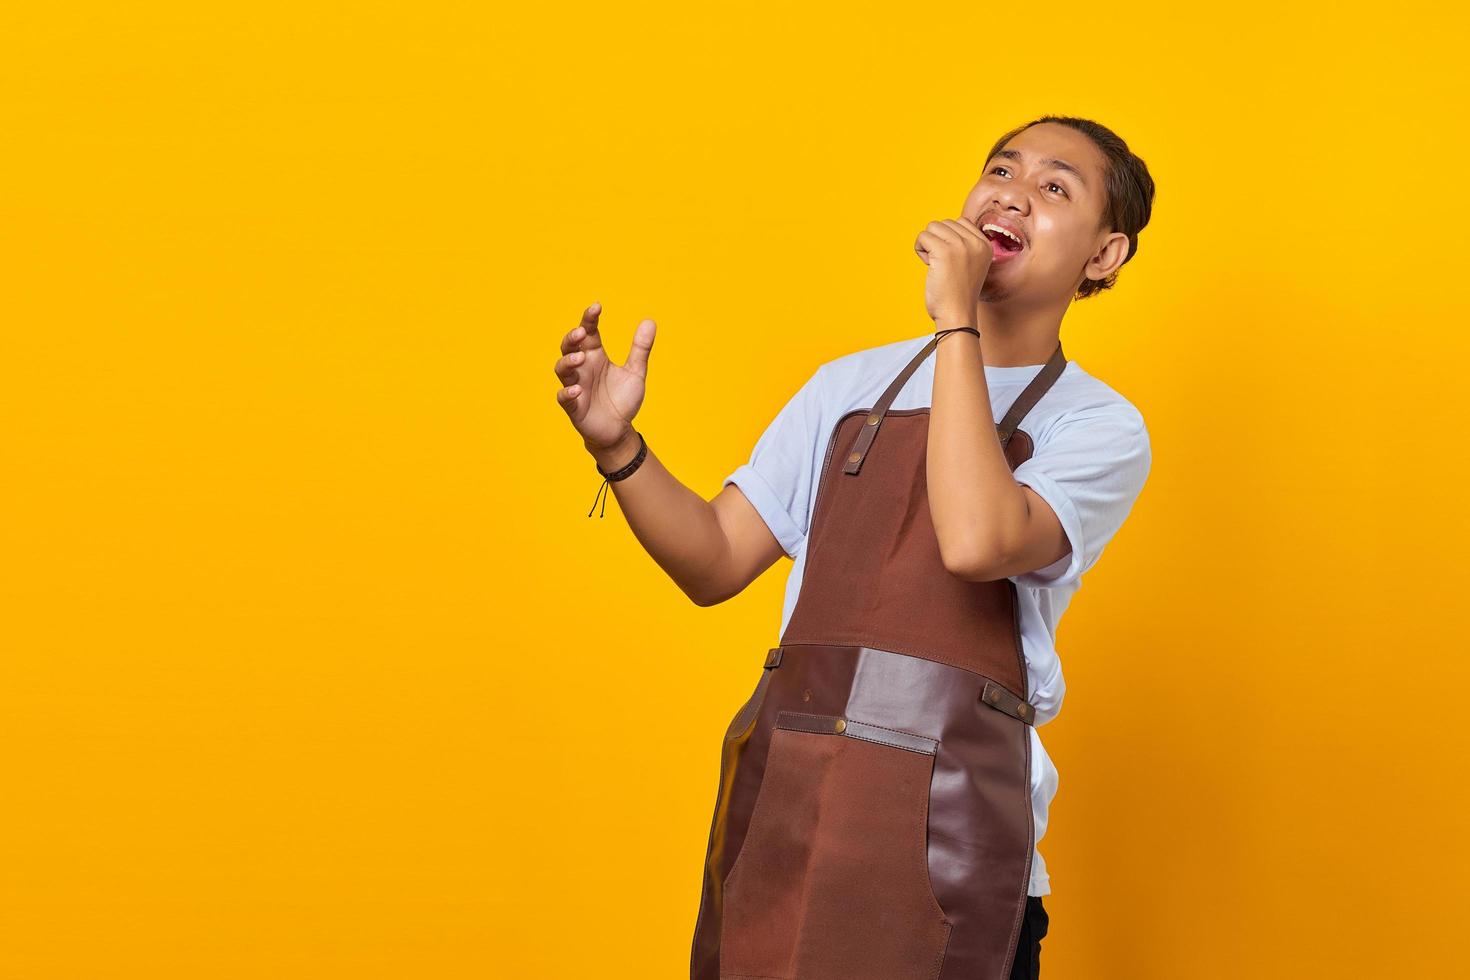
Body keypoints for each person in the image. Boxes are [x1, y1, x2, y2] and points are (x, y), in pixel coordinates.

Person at [554, 114, 1155, 980]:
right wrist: (619, 449)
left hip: (956, 847)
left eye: (1055, 188)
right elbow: (717, 559)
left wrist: (957, 325)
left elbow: (980, 539)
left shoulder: (1099, 424)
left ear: (1104, 256)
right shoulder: (849, 387)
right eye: (1000, 169)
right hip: (789, 819)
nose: (1013, 193)